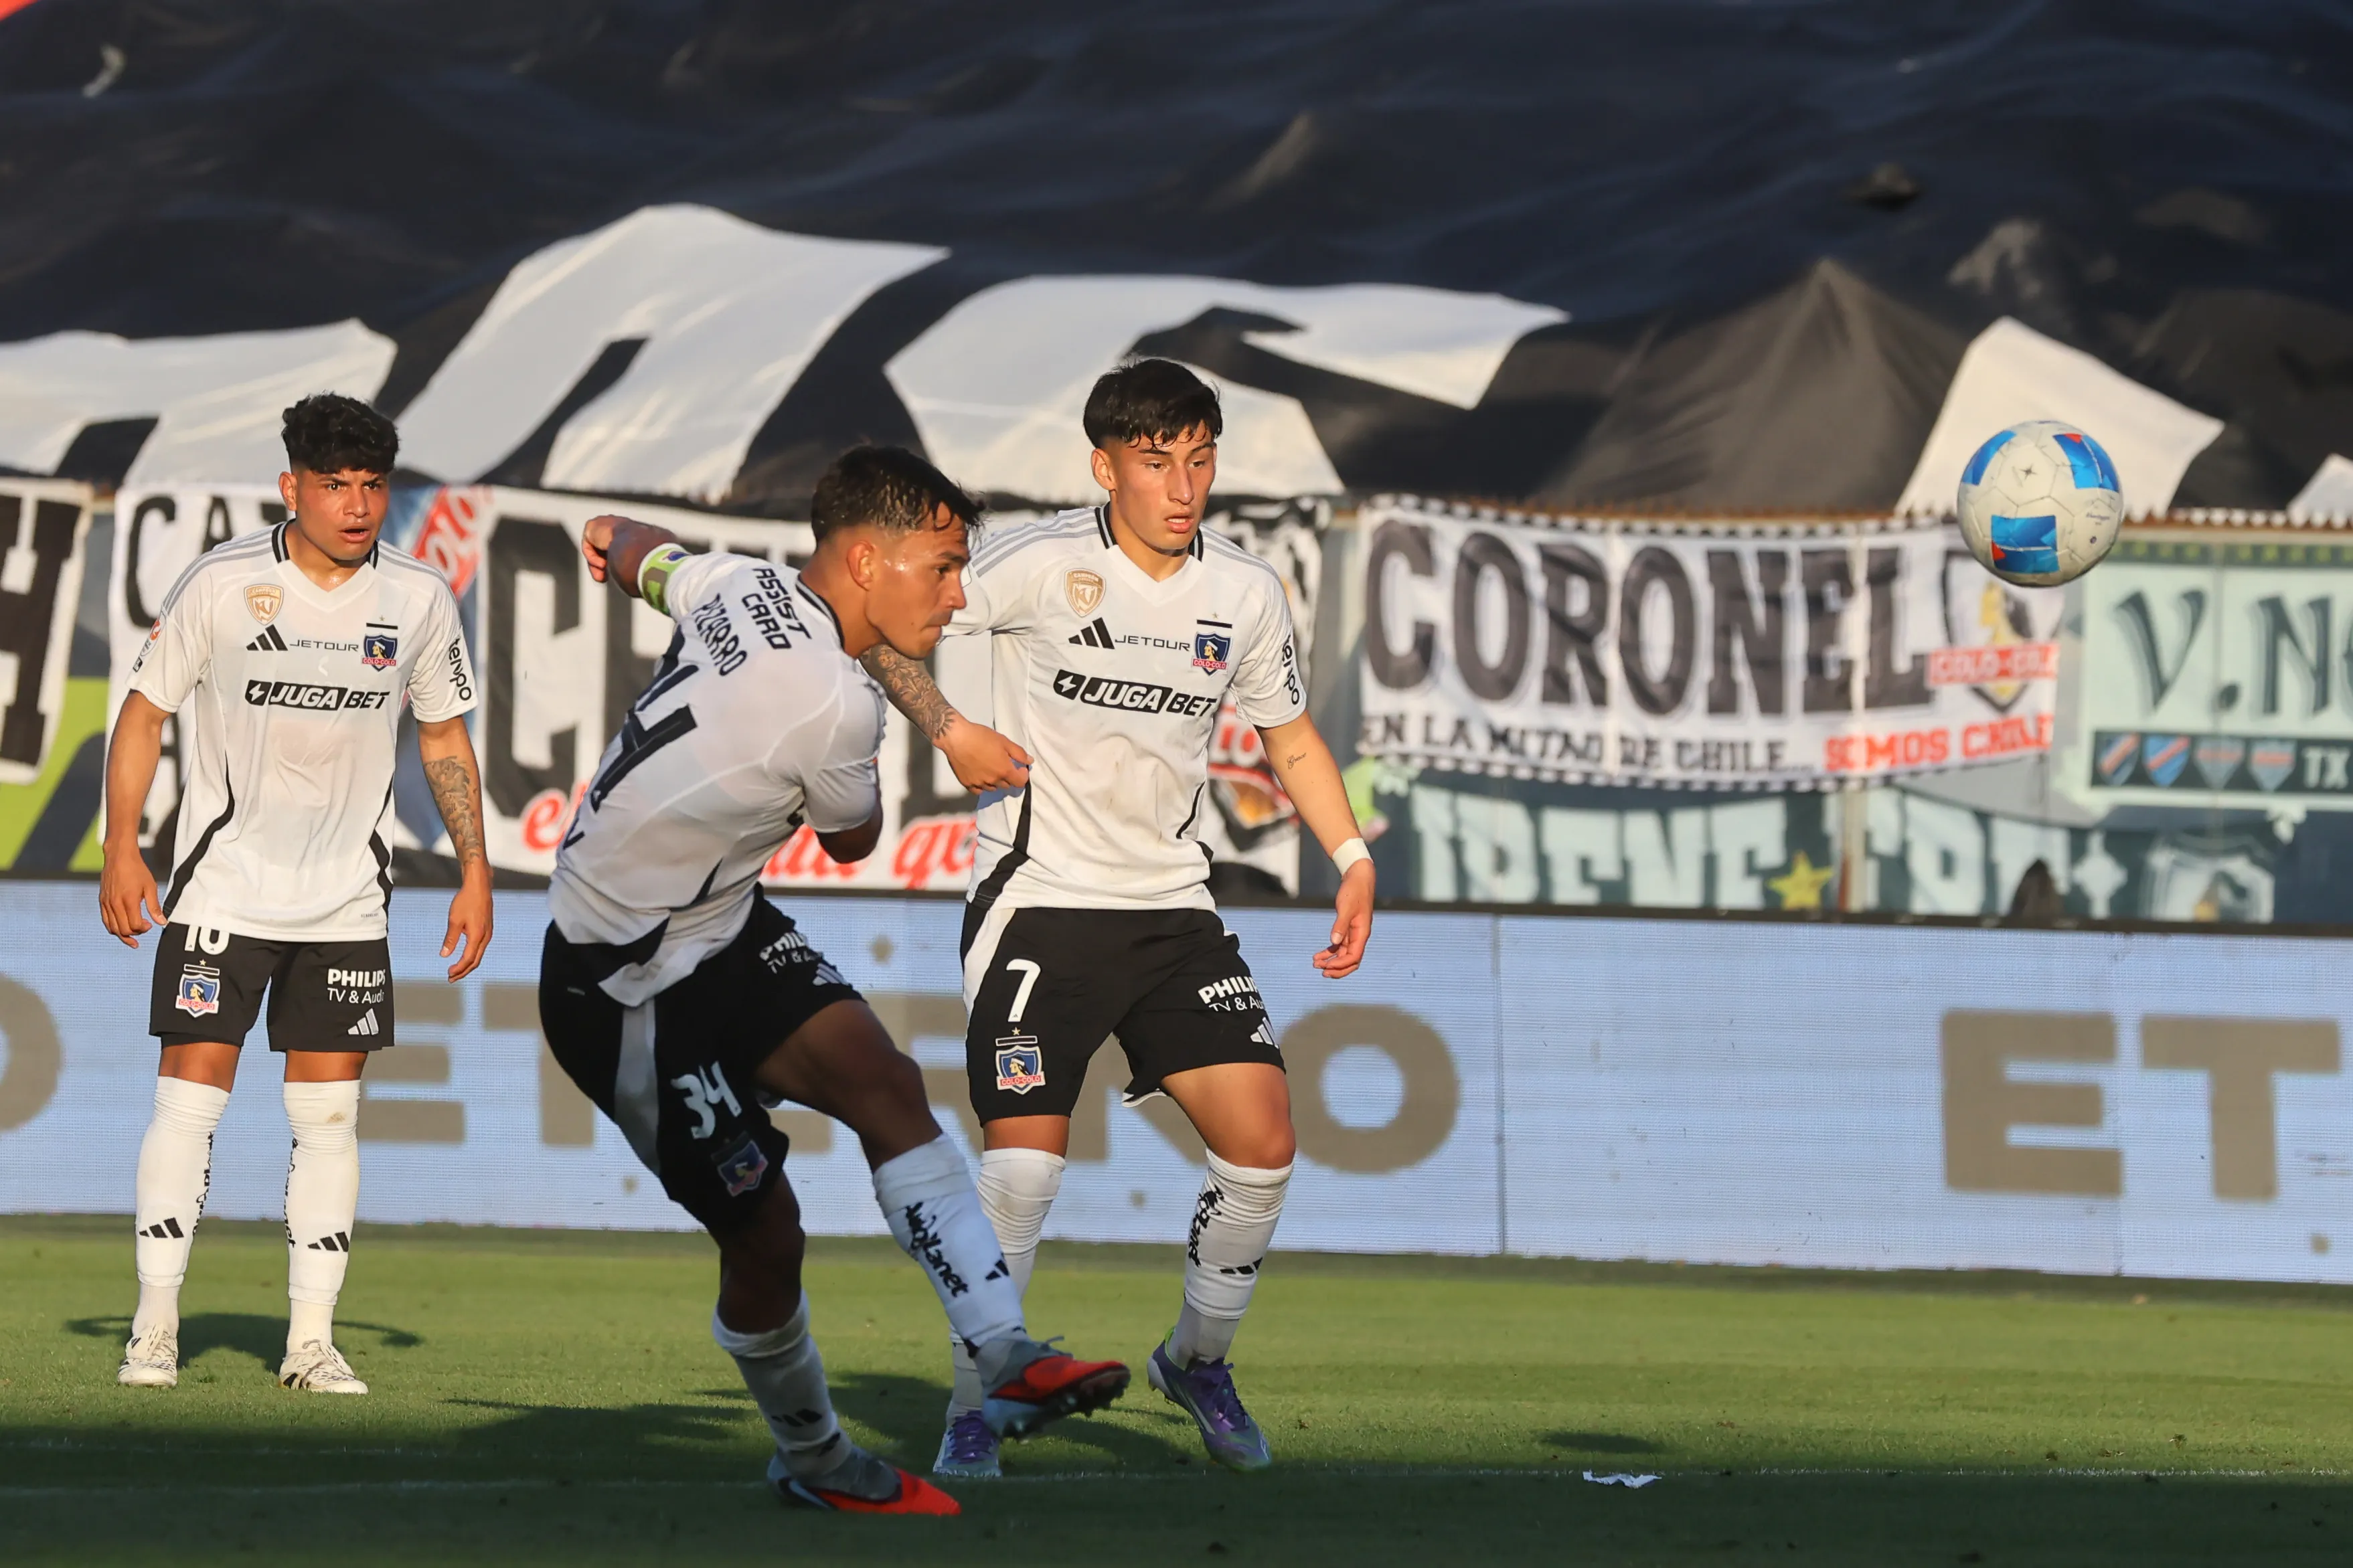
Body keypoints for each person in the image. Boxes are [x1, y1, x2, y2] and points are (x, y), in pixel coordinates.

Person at [542, 445, 1129, 1518]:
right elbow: (852, 835)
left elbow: (638, 550)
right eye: (942, 568)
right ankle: (813, 1459)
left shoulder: (738, 579)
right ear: (866, 561)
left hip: (713, 927)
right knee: (767, 1235)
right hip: (619, 982)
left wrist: (607, 539)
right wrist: (933, 729)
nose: (957, 595)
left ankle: (1002, 1348)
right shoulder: (830, 708)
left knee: (883, 1083)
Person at [860, 359, 1375, 1479]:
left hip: (1170, 913)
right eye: (1156, 462)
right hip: (1039, 906)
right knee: (1026, 1176)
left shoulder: (1242, 593)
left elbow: (1288, 739)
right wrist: (948, 726)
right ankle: (975, 1401)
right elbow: (883, 626)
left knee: (1264, 1145)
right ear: (1105, 467)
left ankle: (1194, 1360)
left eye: (1199, 460)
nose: (1182, 486)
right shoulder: (1033, 564)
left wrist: (1350, 856)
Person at [100, 394, 493, 1396]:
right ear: (293, 488)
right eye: (335, 485)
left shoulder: (417, 599)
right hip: (224, 891)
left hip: (345, 904)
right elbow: (143, 714)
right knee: (189, 1106)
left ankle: (310, 1342)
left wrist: (476, 869)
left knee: (328, 1122)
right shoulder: (224, 584)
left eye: (371, 486)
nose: (356, 505)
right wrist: (121, 847)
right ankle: (153, 1327)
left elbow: (445, 738)